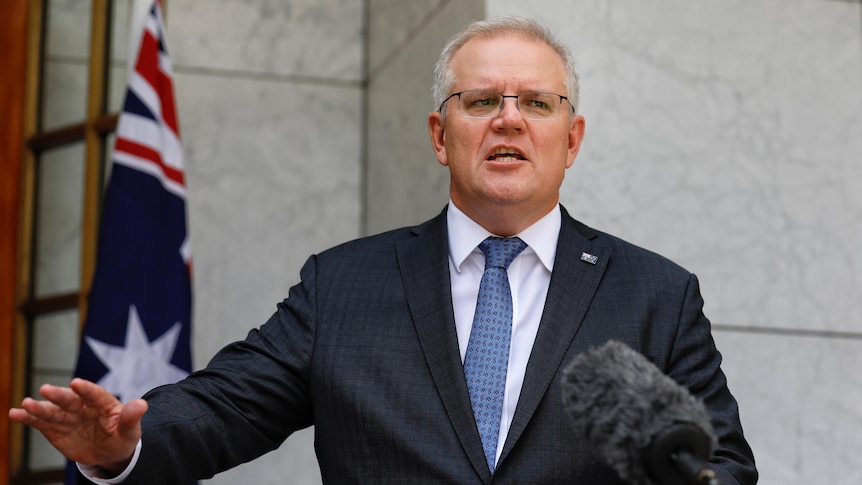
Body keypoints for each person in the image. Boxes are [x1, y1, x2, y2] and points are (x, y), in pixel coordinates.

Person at [9, 16, 757, 484]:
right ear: (441, 135)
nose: (508, 120)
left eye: (535, 102)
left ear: (573, 138)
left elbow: (723, 463)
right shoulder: (344, 284)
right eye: (479, 101)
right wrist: (120, 446)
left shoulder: (656, 292)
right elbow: (224, 406)